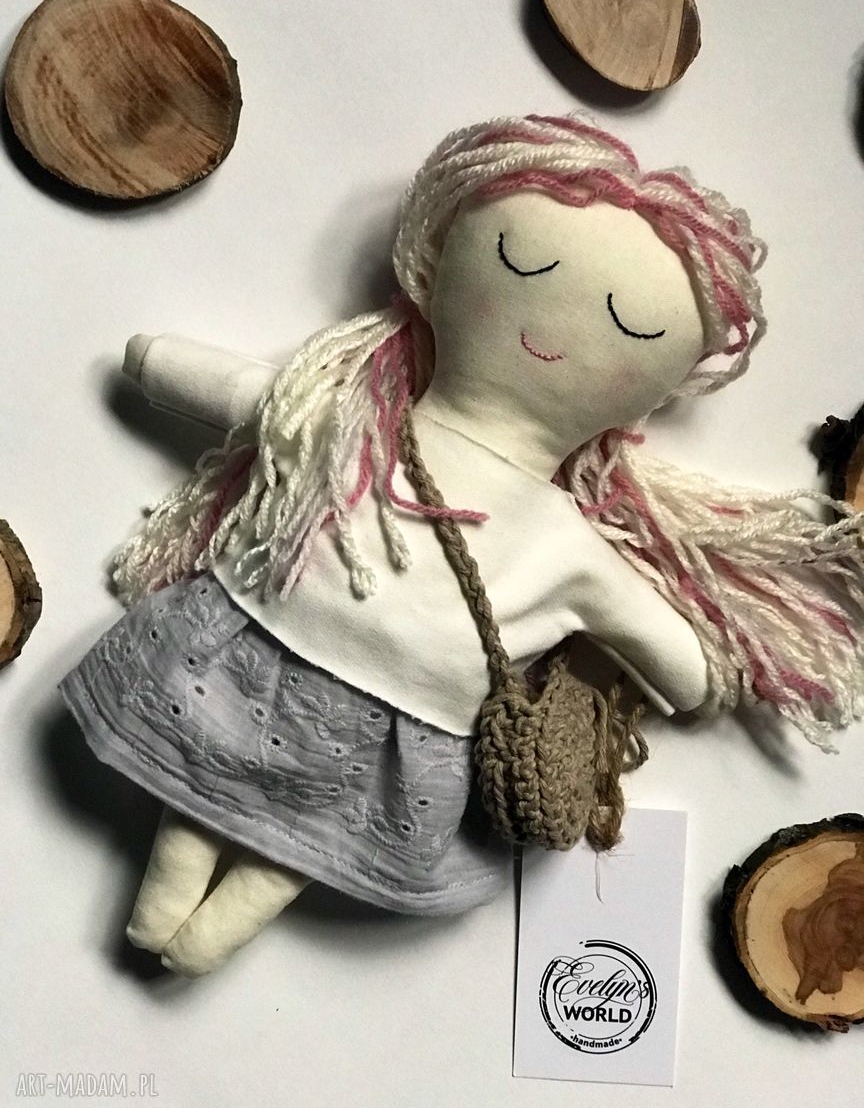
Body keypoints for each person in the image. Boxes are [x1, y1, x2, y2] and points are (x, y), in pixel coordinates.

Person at [60, 115, 863, 977]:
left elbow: (671, 655)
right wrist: (160, 364)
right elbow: (272, 404)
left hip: (398, 729)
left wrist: (153, 360)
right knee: (210, 767)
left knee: (294, 820)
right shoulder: (361, 422)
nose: (556, 331)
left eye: (629, 324)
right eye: (523, 265)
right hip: (256, 644)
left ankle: (200, 920)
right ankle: (177, 900)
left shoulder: (557, 534)